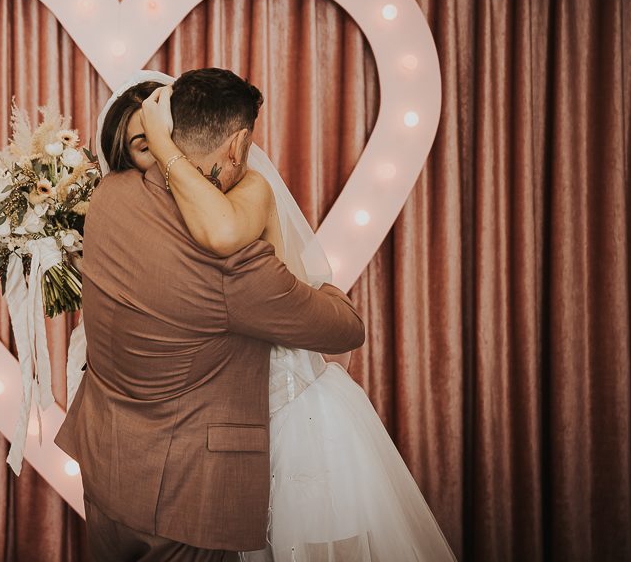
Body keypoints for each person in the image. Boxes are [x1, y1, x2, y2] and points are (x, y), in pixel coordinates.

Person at [80, 68, 458, 561]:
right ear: (235, 145)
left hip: (111, 470)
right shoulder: (232, 266)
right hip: (183, 495)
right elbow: (345, 329)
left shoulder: (109, 199)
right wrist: (315, 283)